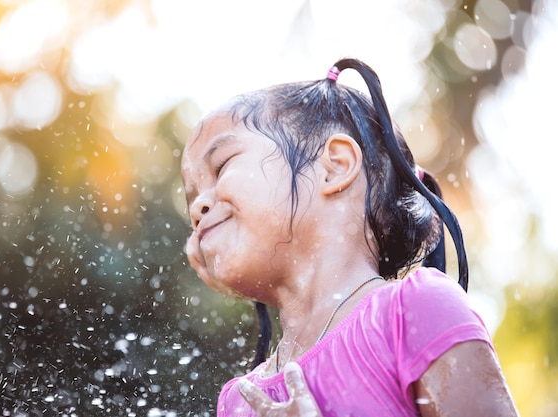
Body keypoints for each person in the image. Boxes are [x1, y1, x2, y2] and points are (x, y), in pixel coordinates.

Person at [181, 57, 519, 416]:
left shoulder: (414, 312)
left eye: (222, 166)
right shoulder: (239, 400)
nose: (197, 207)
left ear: (335, 166)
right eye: (191, 197)